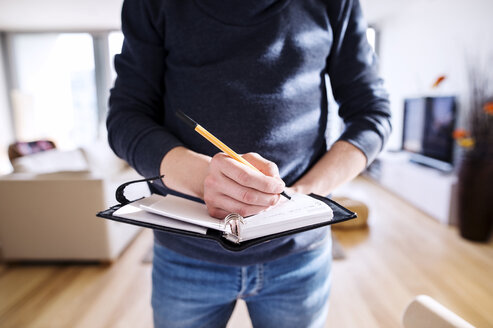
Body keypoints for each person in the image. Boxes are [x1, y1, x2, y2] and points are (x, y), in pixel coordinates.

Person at [107, 0, 392, 327]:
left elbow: (373, 116)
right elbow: (125, 118)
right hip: (187, 252)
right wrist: (203, 179)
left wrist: (301, 196)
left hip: (299, 253)